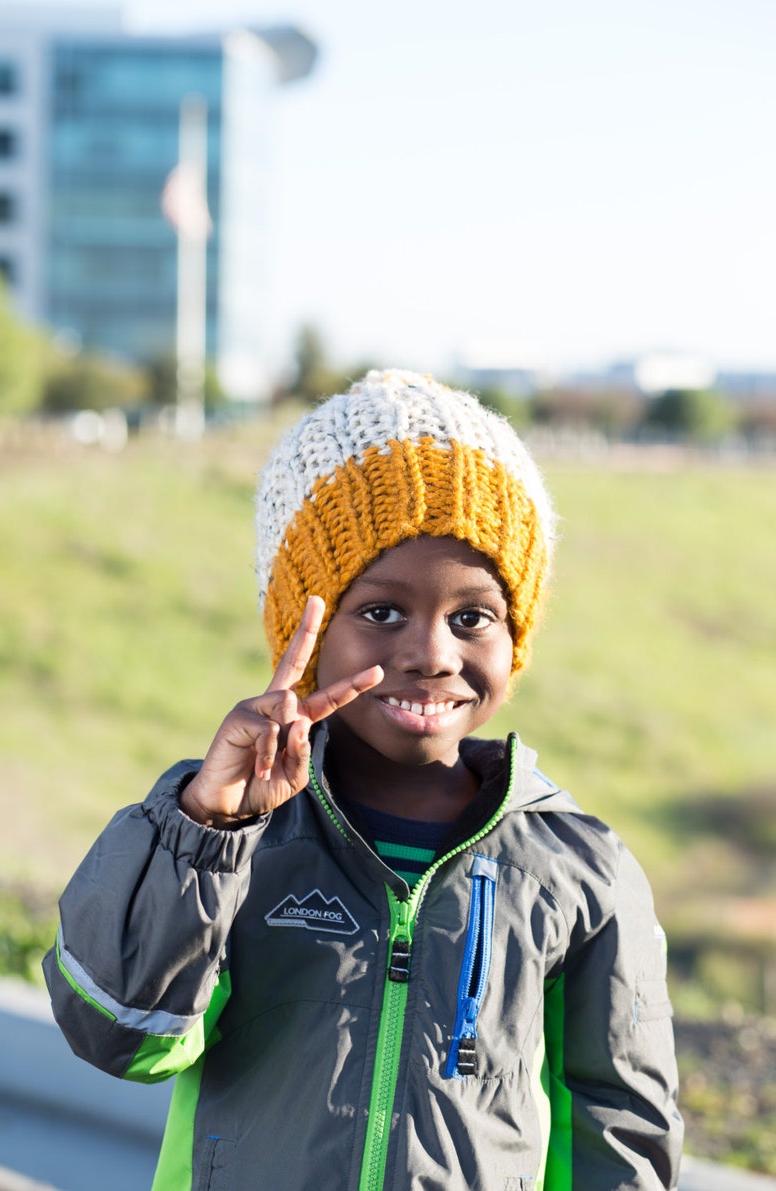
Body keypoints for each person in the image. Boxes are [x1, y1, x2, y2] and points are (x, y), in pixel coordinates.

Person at [44, 369, 683, 1190]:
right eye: (382, 612)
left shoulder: (581, 869)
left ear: (514, 633)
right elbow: (117, 1033)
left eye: (472, 617)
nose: (431, 653)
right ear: (306, 634)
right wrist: (204, 831)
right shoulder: (232, 833)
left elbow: (618, 1130)